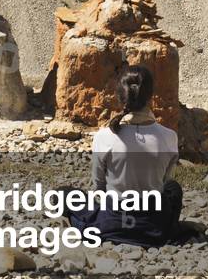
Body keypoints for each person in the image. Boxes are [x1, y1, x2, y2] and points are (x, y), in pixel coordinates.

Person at [65, 65, 185, 247]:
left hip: (112, 222)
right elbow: (164, 181)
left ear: (120, 96)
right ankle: (168, 230)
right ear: (151, 96)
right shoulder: (169, 136)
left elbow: (99, 187)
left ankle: (95, 228)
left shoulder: (105, 136)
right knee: (173, 188)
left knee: (64, 195)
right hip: (153, 227)